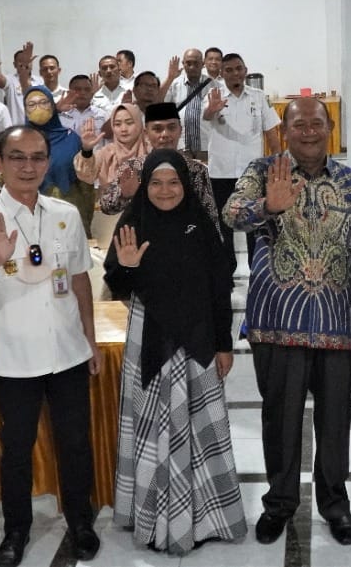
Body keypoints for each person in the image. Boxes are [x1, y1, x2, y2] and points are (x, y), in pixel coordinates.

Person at [223, 96, 351, 547]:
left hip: (337, 321)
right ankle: (279, 503)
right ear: (285, 130)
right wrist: (266, 208)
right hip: (277, 322)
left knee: (336, 422)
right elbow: (229, 214)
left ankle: (336, 504)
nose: (308, 131)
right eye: (299, 125)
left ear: (329, 126)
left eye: (316, 123)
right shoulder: (262, 171)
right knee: (280, 420)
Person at [0, 125, 102, 567]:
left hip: (69, 351)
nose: (29, 166)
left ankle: (81, 521)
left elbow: (77, 280)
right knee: (16, 449)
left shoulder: (64, 213)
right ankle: (16, 529)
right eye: (18, 157)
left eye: (37, 157)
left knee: (75, 444)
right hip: (15, 357)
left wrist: (90, 340)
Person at [102, 148, 245, 553]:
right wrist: (127, 267)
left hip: (198, 341)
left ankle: (205, 518)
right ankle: (151, 516)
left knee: (199, 428)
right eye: (156, 183)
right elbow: (119, 285)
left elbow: (221, 289)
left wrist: (224, 344)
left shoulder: (202, 226)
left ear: (186, 184)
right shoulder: (133, 223)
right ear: (145, 187)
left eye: (173, 182)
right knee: (151, 427)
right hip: (149, 338)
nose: (165, 191)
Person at [205, 53, 282, 273]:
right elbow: (206, 116)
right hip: (221, 172)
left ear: (245, 70)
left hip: (252, 173)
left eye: (238, 68)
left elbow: (271, 132)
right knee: (224, 224)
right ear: (222, 73)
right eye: (228, 70)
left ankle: (256, 270)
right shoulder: (213, 94)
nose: (234, 73)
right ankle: (226, 272)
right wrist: (213, 108)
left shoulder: (258, 97)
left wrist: (278, 162)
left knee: (254, 222)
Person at [98, 102, 220, 228]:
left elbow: (211, 218)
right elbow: (106, 207)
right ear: (146, 133)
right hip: (142, 241)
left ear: (180, 130)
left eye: (171, 127)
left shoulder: (196, 170)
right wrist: (123, 194)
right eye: (157, 129)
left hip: (186, 241)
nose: (165, 134)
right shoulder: (133, 168)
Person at [22, 85, 90, 234]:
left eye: (44, 102)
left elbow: (87, 180)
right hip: (32, 218)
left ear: (52, 106)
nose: (38, 108)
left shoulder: (71, 138)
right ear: (25, 110)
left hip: (70, 217)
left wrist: (87, 151)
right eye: (31, 104)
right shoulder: (18, 142)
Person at [164, 48, 218, 161]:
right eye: (188, 63)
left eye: (196, 63)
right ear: (183, 64)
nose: (192, 67)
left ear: (203, 64)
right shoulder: (174, 85)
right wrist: (169, 78)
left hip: (206, 148)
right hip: (181, 147)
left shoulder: (214, 85)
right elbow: (162, 110)